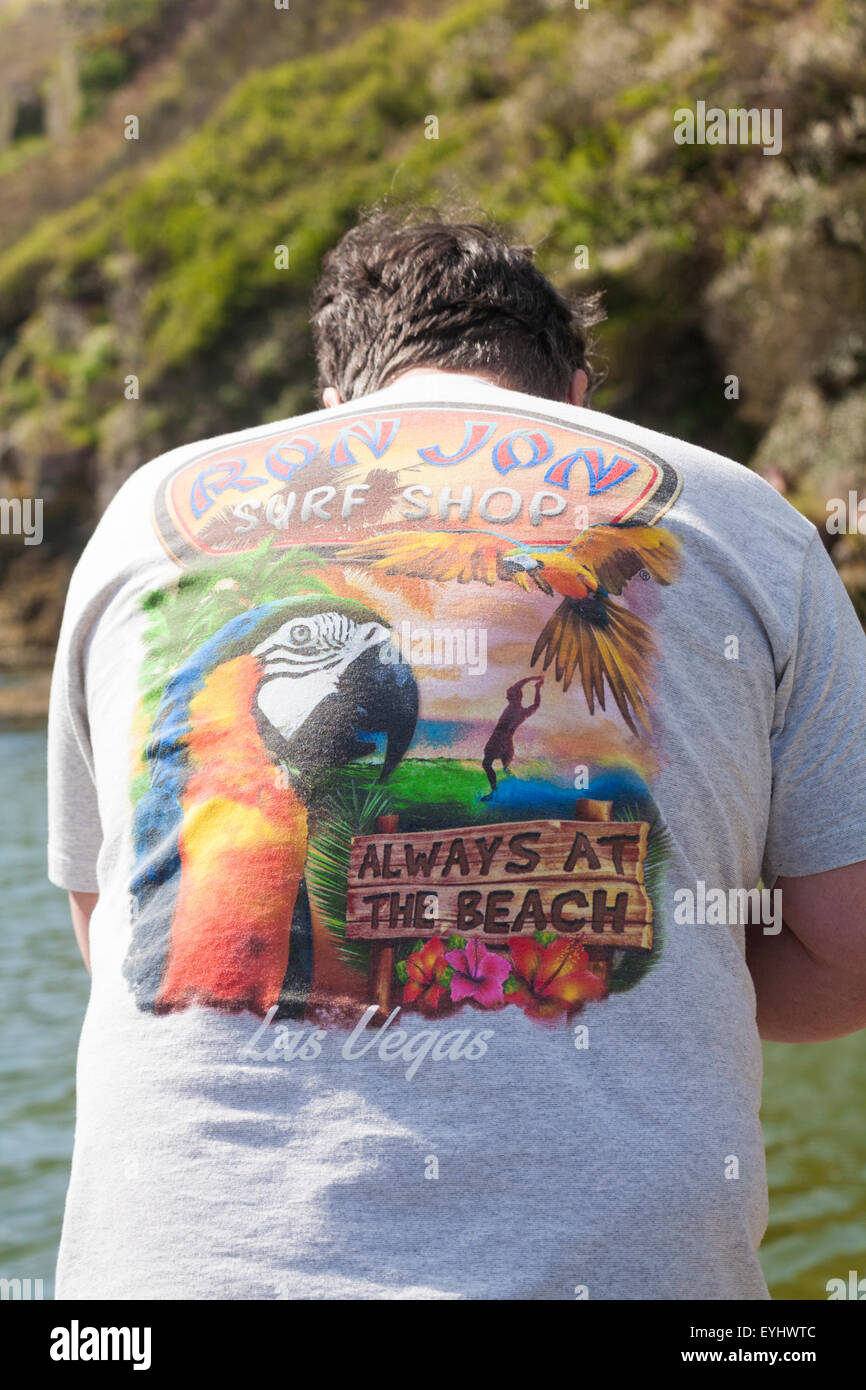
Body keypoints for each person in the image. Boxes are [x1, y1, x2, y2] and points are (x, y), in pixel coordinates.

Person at [48, 206, 866, 1300]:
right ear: (574, 393)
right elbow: (848, 945)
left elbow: (116, 934)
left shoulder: (142, 514)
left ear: (333, 403)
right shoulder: (738, 514)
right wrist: (643, 967)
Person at [481, 675, 543, 798]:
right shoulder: (524, 713)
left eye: (509, 694)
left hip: (498, 740)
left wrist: (533, 678)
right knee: (505, 769)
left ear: (515, 696)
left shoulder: (512, 707)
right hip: (508, 743)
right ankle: (516, 788)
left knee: (487, 764)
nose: (507, 697)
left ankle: (495, 792)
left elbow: (518, 686)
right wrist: (537, 688)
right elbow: (536, 704)